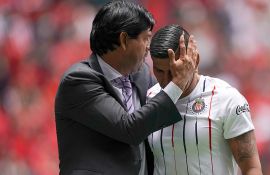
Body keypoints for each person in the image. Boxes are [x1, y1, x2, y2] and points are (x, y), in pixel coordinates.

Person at [54, 1, 198, 175]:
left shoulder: (142, 74)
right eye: (146, 38)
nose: (149, 47)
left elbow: (161, 112)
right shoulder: (79, 80)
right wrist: (178, 82)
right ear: (123, 40)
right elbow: (129, 129)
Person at [147, 24, 263, 175]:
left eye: (173, 70)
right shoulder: (148, 98)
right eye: (159, 71)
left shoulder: (227, 99)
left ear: (195, 61)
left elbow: (251, 168)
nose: (166, 80)